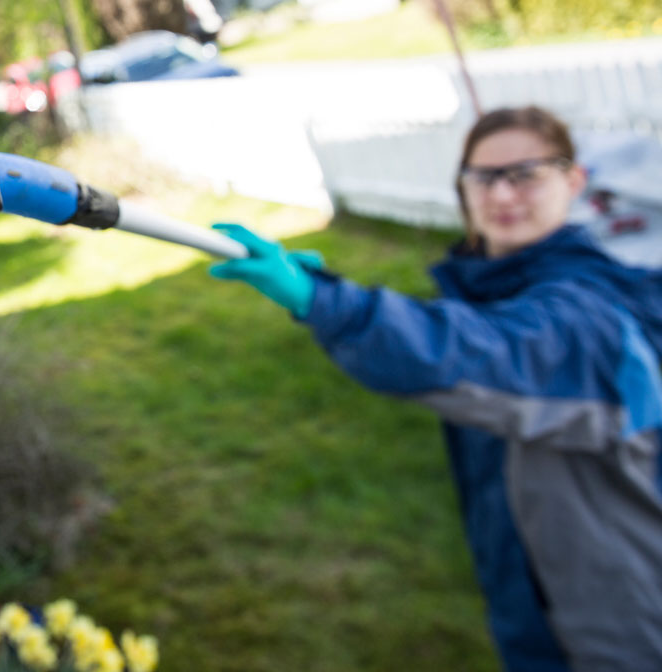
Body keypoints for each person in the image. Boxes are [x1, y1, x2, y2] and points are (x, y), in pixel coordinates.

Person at [209, 106, 662, 672]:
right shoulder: (492, 288)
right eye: (483, 176)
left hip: (615, 617)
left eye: (526, 173)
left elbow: (473, 353)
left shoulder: (589, 313)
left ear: (574, 181)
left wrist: (324, 300)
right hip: (525, 586)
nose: (501, 195)